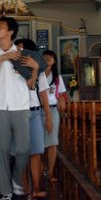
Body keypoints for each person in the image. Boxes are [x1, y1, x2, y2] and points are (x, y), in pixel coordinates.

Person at [0, 16, 34, 200]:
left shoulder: (22, 55)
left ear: (10, 31)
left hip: (19, 105)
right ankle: (6, 191)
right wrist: (2, 58)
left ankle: (16, 178)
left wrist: (34, 69)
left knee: (24, 147)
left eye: (0, 26)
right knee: (1, 149)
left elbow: (30, 83)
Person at [15, 39, 52, 199]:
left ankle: (36, 187)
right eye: (18, 49)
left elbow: (43, 93)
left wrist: (48, 116)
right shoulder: (12, 69)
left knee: (36, 152)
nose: (20, 52)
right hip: (18, 113)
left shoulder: (40, 70)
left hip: (35, 112)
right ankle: (23, 181)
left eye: (23, 49)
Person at [42, 50, 66, 183]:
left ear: (54, 61)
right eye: (45, 57)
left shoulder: (57, 77)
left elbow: (61, 94)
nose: (47, 59)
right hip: (38, 110)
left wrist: (61, 103)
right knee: (39, 142)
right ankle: (39, 168)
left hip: (52, 110)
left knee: (52, 142)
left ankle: (50, 171)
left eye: (50, 57)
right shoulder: (37, 75)